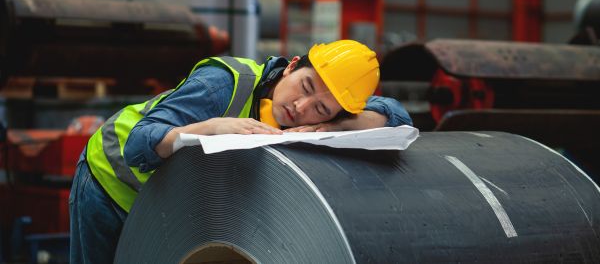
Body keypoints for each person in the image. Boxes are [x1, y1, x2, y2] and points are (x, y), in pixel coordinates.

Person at [69, 39, 412, 264]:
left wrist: (337, 126)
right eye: (306, 87)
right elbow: (139, 144)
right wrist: (208, 127)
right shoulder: (223, 83)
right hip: (111, 184)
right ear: (292, 65)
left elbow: (397, 115)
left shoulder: (312, 122)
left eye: (321, 108)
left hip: (163, 205)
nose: (301, 107)